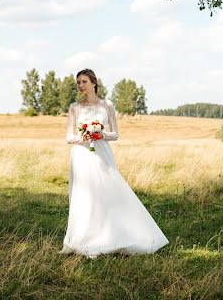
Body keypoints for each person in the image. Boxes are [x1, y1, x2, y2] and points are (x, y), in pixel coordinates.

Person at [60, 68, 169, 257]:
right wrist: (82, 138)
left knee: (108, 191)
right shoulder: (74, 107)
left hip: (101, 153)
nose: (80, 85)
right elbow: (69, 136)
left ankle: (113, 234)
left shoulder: (107, 105)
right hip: (81, 154)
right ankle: (82, 237)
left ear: (94, 82)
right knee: (83, 195)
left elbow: (115, 134)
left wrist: (100, 134)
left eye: (84, 81)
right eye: (78, 82)